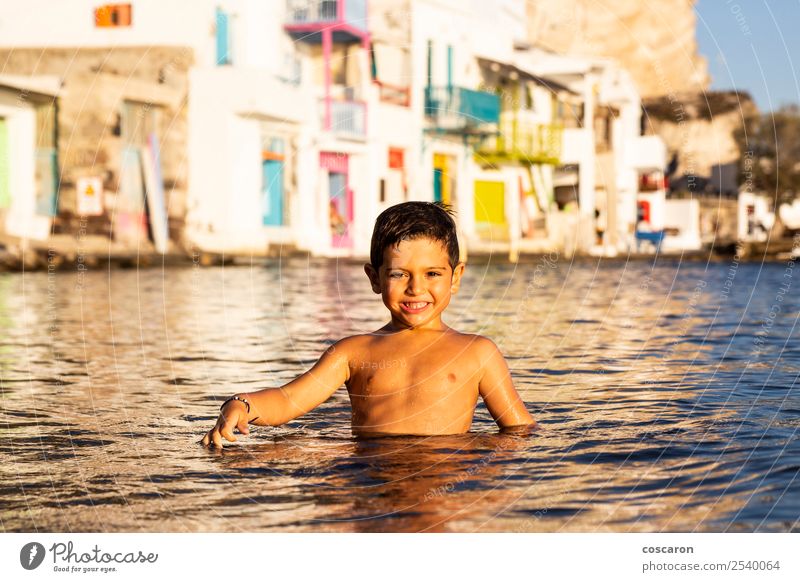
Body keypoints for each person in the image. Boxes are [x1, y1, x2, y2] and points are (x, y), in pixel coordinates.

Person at [201, 202, 536, 446]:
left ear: (456, 277)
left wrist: (479, 467)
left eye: (432, 274)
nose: (416, 288)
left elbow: (519, 430)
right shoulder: (353, 352)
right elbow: (289, 400)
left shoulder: (477, 353)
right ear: (375, 278)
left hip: (445, 475)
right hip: (367, 475)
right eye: (399, 274)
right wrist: (241, 404)